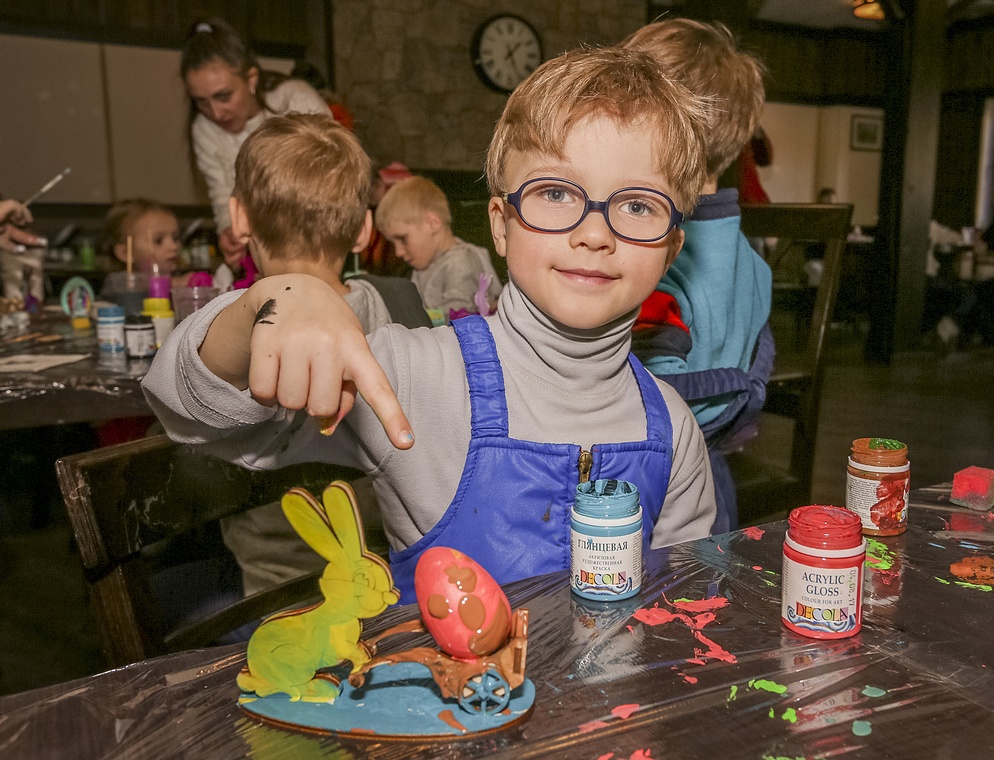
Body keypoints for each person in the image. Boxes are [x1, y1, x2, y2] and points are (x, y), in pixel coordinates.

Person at [142, 47, 716, 603]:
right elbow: (189, 409)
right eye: (556, 193)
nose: (595, 233)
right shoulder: (411, 378)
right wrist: (267, 302)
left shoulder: (673, 428)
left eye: (638, 206)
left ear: (670, 249)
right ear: (500, 224)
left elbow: (682, 613)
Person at [218, 112, 395, 595]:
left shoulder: (234, 330)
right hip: (384, 576)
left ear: (239, 218)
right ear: (364, 230)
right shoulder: (393, 307)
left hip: (272, 598)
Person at [621, 19, 774, 532]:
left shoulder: (653, 248)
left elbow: (635, 397)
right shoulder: (751, 259)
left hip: (651, 485)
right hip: (716, 474)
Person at [180, 18, 331, 289]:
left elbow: (333, 178)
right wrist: (228, 230)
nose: (215, 113)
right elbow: (221, 195)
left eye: (224, 96)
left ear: (251, 79)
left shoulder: (294, 100)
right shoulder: (203, 129)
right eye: (201, 102)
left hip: (319, 249)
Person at [374, 175, 503, 323]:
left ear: (433, 223)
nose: (398, 252)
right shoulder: (424, 262)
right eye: (393, 243)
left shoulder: (460, 263)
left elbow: (456, 319)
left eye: (403, 239)